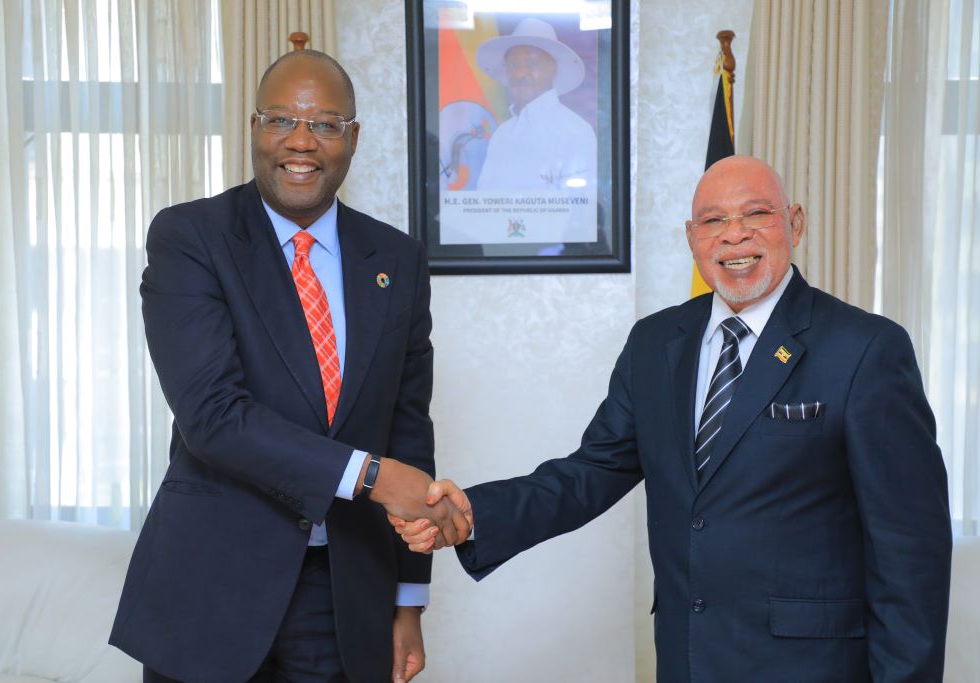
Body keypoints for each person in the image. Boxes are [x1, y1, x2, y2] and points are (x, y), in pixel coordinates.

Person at [394, 156, 953, 681]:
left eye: (757, 214)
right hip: (687, 657)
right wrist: (476, 512)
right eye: (714, 221)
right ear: (693, 239)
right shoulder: (656, 343)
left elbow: (910, 550)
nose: (735, 235)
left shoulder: (866, 349)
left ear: (795, 223)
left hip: (811, 666)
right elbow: (592, 471)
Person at [109, 50, 468, 683]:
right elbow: (214, 418)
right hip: (210, 594)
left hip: (344, 593)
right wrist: (373, 478)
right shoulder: (192, 237)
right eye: (281, 120)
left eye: (326, 124)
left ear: (352, 139)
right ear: (254, 129)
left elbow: (409, 429)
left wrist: (409, 602)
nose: (300, 141)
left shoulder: (397, 259)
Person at [474, 17, 597, 191]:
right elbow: (484, 201)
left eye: (532, 63)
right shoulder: (502, 134)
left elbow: (581, 207)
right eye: (513, 64)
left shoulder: (576, 131)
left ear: (553, 69)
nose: (519, 73)